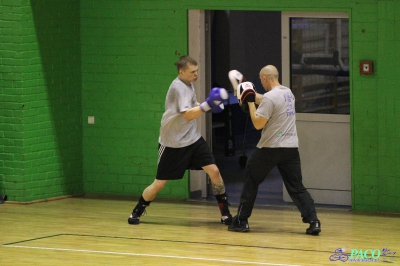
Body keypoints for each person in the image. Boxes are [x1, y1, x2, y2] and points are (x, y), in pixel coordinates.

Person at [128, 55, 232, 225]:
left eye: (197, 71)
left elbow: (192, 105)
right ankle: (137, 211)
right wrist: (207, 105)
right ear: (181, 72)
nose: (196, 75)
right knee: (159, 184)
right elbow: (188, 115)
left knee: (214, 171)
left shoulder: (188, 84)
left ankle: (225, 213)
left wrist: (208, 105)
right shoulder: (177, 88)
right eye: (192, 72)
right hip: (173, 143)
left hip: (193, 139)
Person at [227, 65, 321, 235]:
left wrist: (249, 102)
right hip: (290, 148)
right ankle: (314, 221)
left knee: (251, 181)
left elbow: (257, 124)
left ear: (264, 78)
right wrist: (253, 96)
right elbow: (270, 101)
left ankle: (241, 220)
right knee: (297, 187)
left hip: (270, 149)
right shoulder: (288, 93)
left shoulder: (270, 98)